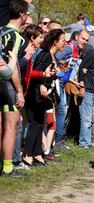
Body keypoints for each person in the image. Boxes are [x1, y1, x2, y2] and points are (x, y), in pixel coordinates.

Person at [22, 29, 66, 166]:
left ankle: (37, 154)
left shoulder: (52, 56)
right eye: (63, 41)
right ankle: (27, 154)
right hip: (35, 94)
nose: (64, 43)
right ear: (55, 42)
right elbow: (36, 71)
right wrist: (41, 84)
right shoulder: (45, 55)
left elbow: (47, 73)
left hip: (44, 96)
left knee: (41, 124)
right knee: (35, 124)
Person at [0, 0, 28, 177]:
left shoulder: (0, 30)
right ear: (22, 15)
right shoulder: (17, 37)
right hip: (7, 83)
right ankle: (8, 167)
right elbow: (14, 68)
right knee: (11, 126)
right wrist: (19, 91)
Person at [54, 29, 89, 151]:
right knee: (62, 111)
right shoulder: (70, 47)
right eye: (82, 38)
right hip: (57, 82)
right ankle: (58, 141)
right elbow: (55, 56)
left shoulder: (77, 50)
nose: (84, 42)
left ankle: (58, 140)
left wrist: (72, 80)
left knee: (62, 111)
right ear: (77, 37)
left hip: (64, 83)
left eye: (86, 40)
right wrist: (59, 69)